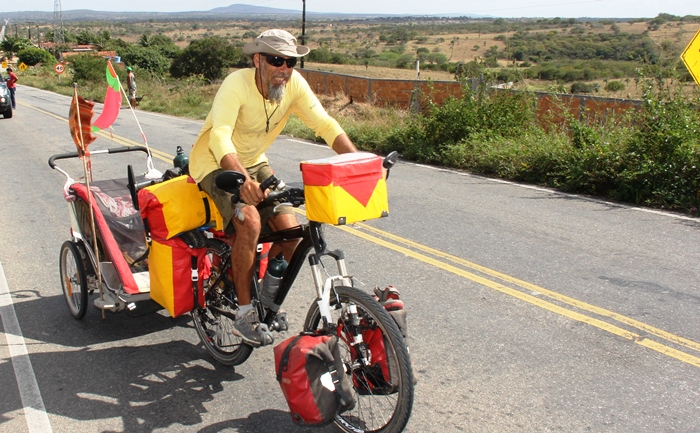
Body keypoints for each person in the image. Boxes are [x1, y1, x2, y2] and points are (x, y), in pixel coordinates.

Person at [189, 29, 358, 346]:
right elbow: (219, 136)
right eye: (276, 60)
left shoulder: (293, 85)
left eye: (290, 61)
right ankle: (243, 312)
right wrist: (242, 180)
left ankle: (267, 302)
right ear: (258, 60)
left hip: (255, 161)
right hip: (214, 163)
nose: (284, 68)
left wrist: (359, 160)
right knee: (250, 222)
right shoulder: (236, 85)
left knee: (291, 232)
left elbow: (324, 124)